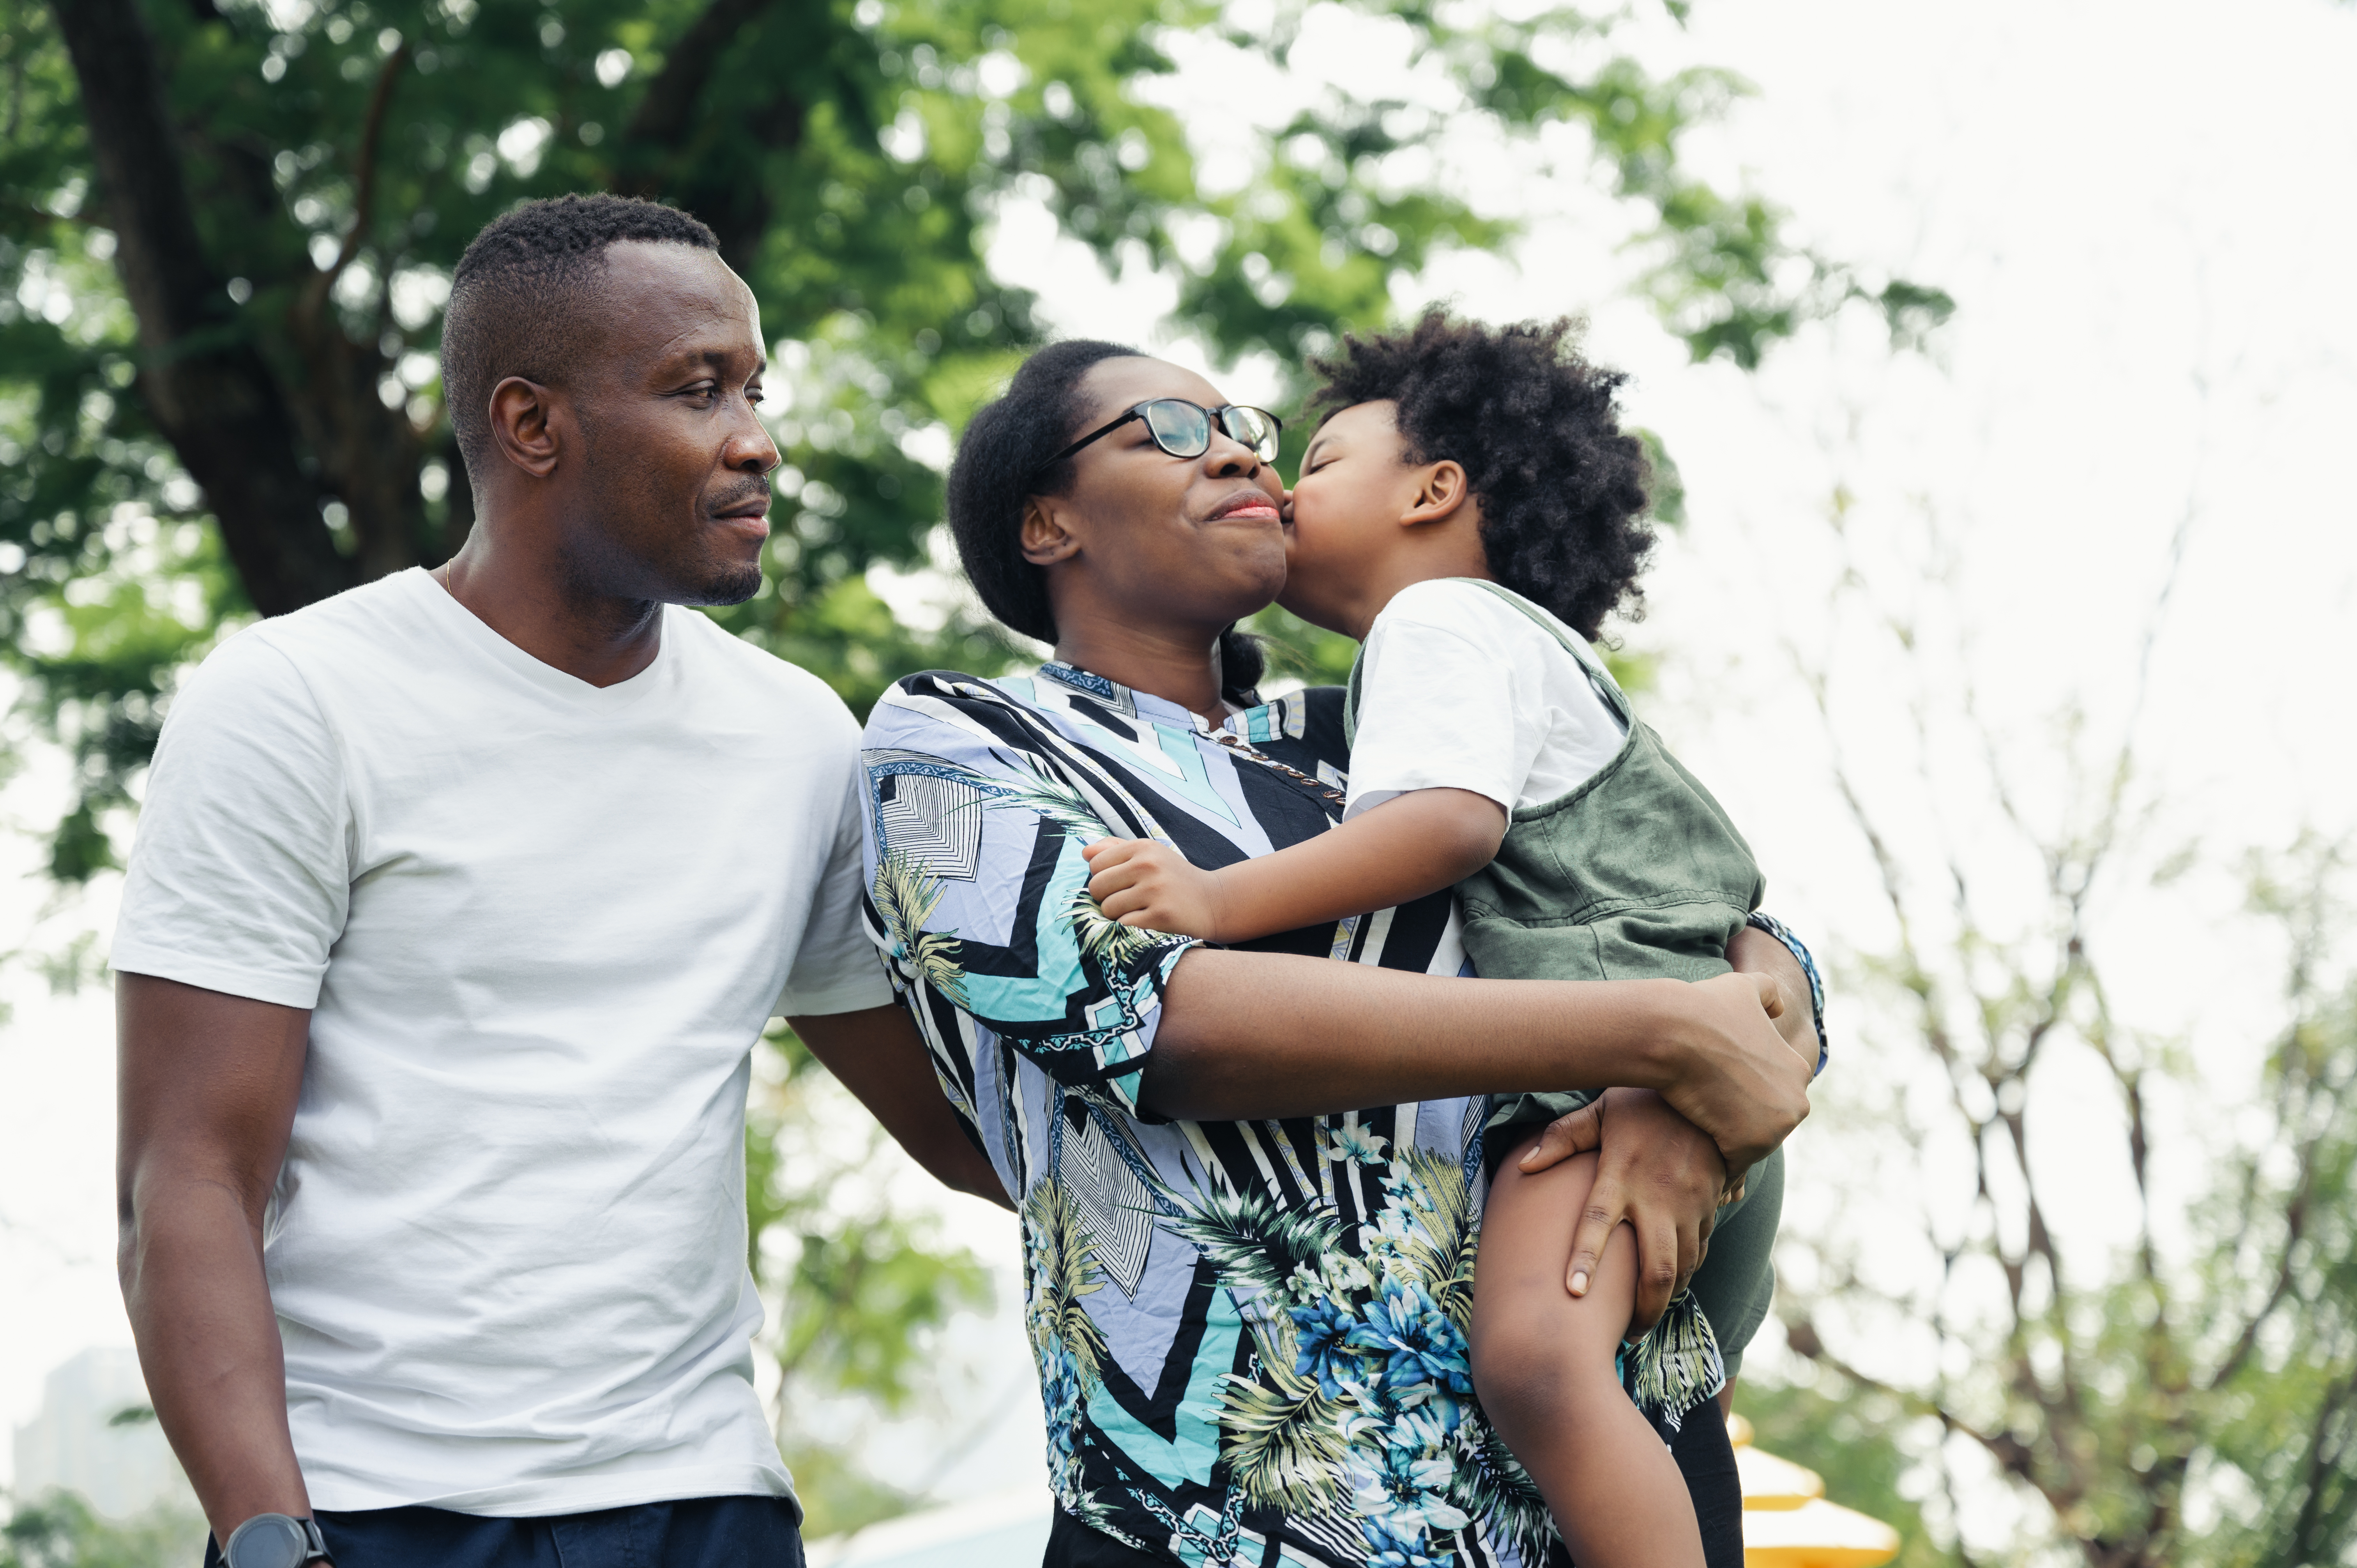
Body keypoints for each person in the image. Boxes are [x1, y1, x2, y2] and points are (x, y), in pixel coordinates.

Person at [110, 195, 1000, 1568]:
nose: (758, 438)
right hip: (375, 1509)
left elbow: (959, 1130)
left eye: (756, 387)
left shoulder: (798, 735)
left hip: (707, 1500)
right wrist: (268, 1536)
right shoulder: (297, 698)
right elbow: (192, 1173)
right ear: (532, 426)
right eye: (698, 390)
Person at [854, 339, 1821, 1568]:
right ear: (1047, 522)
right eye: (1171, 426)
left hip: (1584, 1498)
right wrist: (1654, 1038)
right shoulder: (964, 736)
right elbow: (1144, 1018)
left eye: (1247, 427)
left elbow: (1701, 910)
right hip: (1234, 1513)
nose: (1243, 451)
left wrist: (1685, 1091)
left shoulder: (1380, 726)